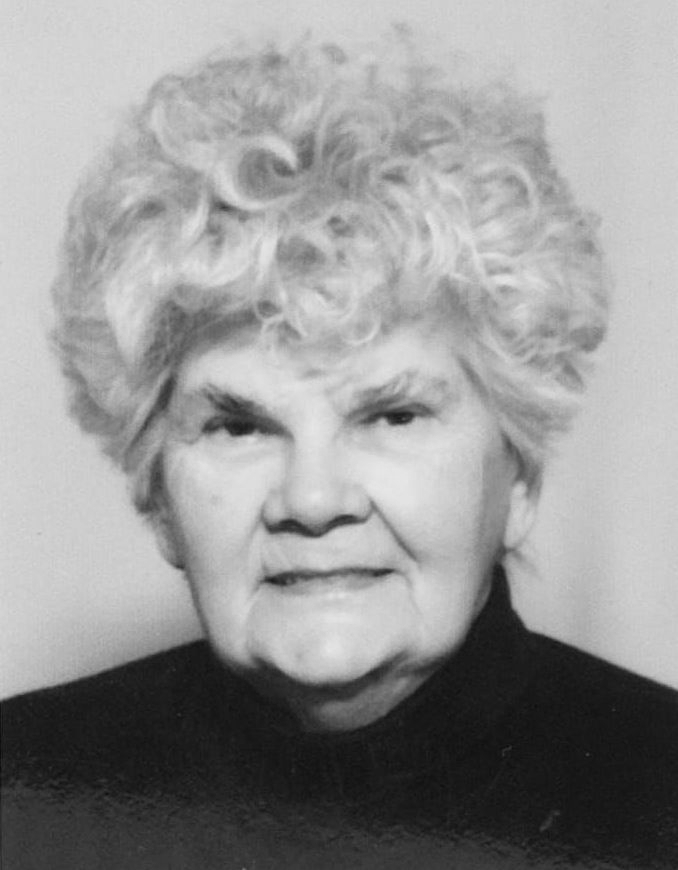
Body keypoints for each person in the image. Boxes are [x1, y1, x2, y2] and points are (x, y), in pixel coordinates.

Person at [2, 34, 676, 870]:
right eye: (240, 427)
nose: (314, 500)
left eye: (392, 416)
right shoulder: (22, 794)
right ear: (157, 496)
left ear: (521, 479)